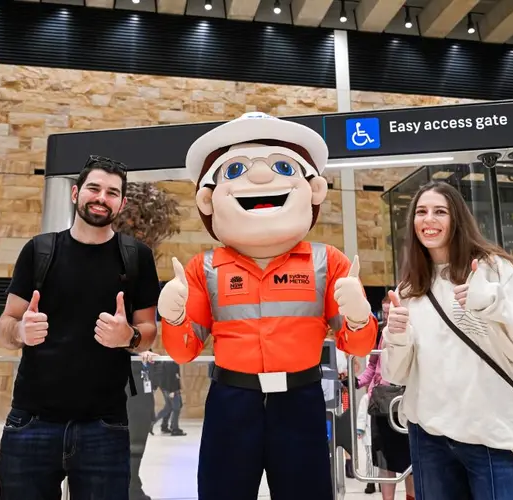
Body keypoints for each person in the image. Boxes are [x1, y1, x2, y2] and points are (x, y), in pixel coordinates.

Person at [157, 112, 378, 500]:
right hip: (231, 402)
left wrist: (360, 317)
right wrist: (173, 318)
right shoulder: (205, 267)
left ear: (314, 190)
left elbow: (356, 347)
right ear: (208, 199)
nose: (260, 179)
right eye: (238, 170)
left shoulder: (328, 263)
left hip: (301, 400)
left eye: (280, 167)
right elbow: (183, 350)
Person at [0, 155, 161, 500]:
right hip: (31, 421)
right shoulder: (40, 251)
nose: (102, 198)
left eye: (112, 192)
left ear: (122, 203)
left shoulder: (137, 257)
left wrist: (127, 336)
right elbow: (6, 324)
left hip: (104, 425)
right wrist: (21, 332)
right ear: (75, 194)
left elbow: (148, 330)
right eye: (94, 188)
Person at [382, 181, 513, 500]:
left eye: (439, 212)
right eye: (421, 212)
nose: (428, 220)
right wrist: (397, 336)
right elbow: (396, 375)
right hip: (429, 438)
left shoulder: (492, 269)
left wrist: (494, 304)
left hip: (495, 434)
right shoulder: (410, 288)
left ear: (457, 219)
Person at [357, 298, 414, 500]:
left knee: (410, 462)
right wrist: (358, 382)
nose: (388, 316)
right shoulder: (379, 334)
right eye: (385, 312)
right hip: (380, 404)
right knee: (384, 461)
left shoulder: (411, 332)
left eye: (391, 312)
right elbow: (372, 366)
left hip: (404, 404)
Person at [129, 350, 160, 500]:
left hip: (142, 405)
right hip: (127, 406)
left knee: (137, 448)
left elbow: (154, 380)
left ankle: (133, 485)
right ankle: (132, 487)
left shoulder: (144, 350)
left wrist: (153, 362)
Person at [153, 358, 185, 436]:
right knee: (176, 408)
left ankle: (164, 426)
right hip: (171, 389)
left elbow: (175, 377)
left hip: (168, 389)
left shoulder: (168, 362)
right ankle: (174, 429)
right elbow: (171, 377)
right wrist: (172, 391)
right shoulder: (171, 363)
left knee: (169, 407)